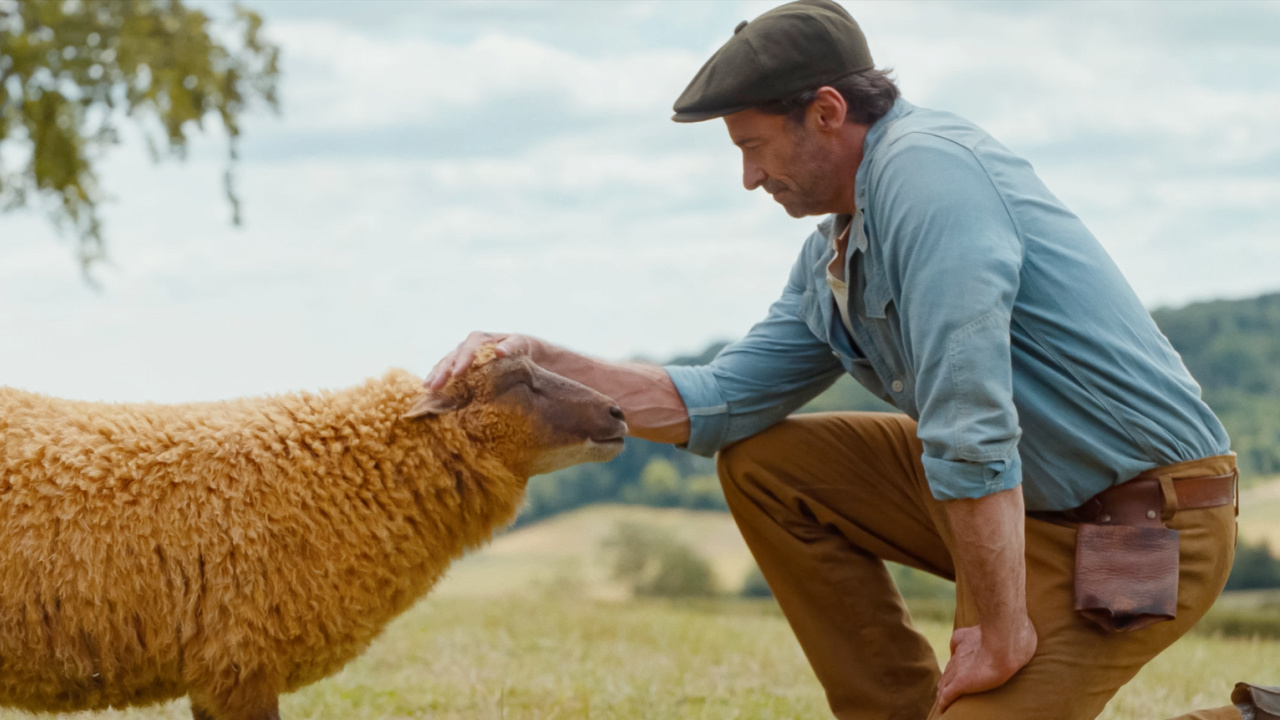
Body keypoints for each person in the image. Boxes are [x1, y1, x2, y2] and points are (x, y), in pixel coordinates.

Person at [428, 1, 1278, 718]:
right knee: (766, 461)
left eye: (753, 147)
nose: (751, 179)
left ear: (828, 113)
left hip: (1141, 524)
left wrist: (999, 623)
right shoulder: (836, 251)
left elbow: (972, 423)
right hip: (1024, 509)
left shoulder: (929, 177)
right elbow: (716, 400)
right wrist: (534, 361)